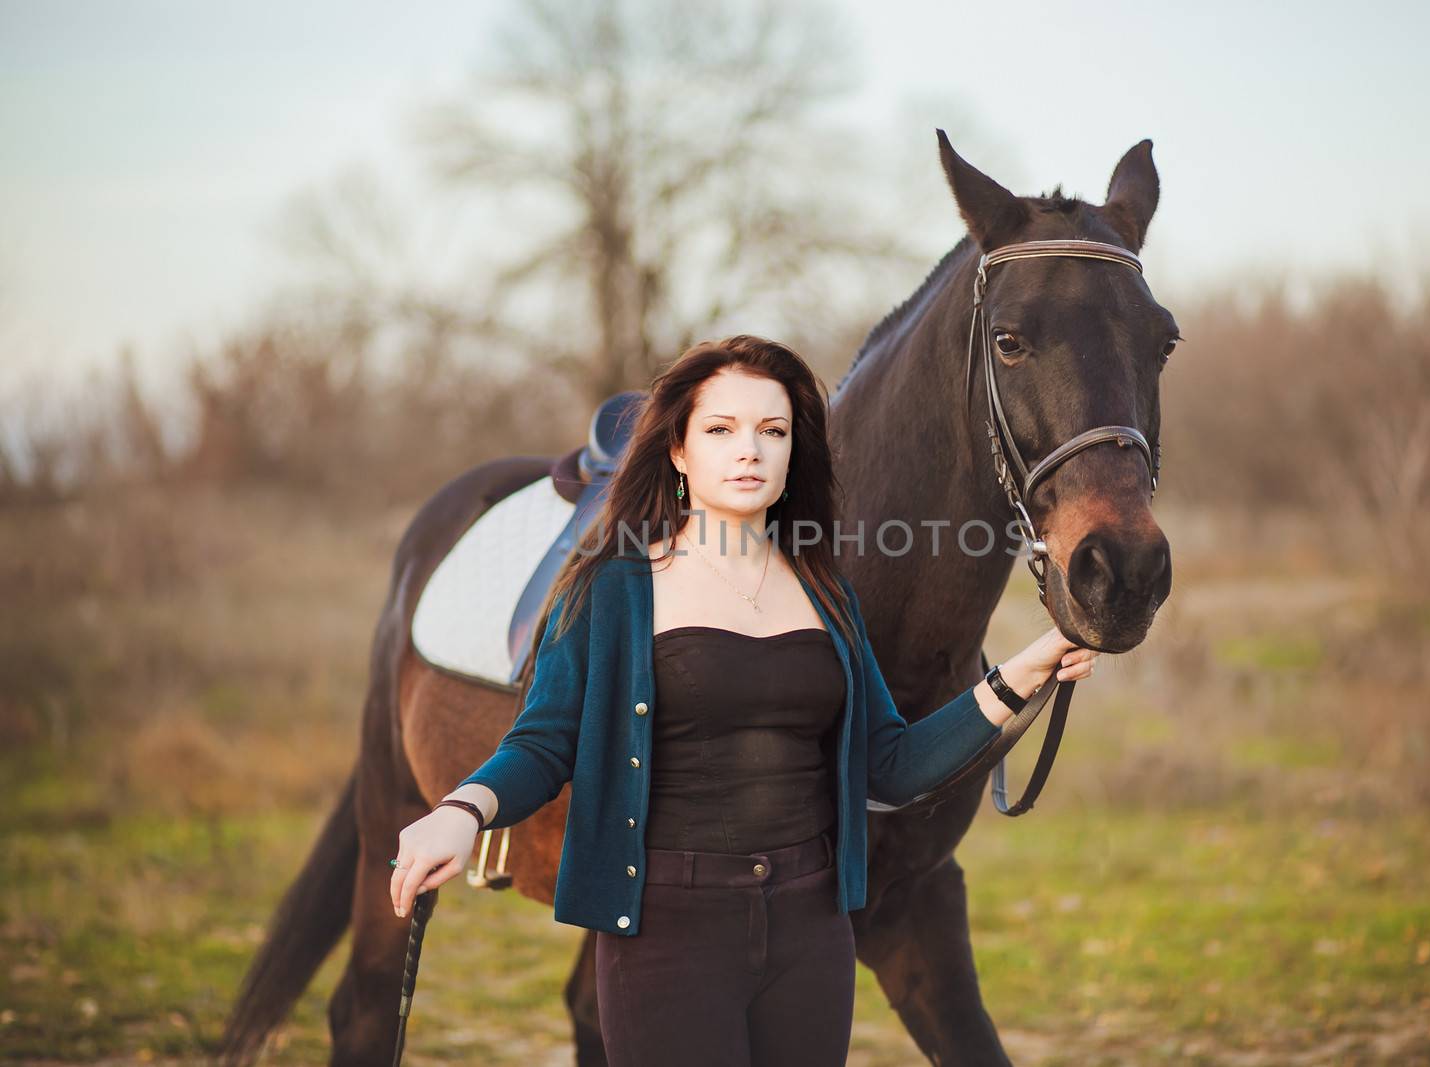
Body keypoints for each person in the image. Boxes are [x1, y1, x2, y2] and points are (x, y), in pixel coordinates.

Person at [390, 335, 1098, 1066]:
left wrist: (1028, 666)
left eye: (773, 430)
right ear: (678, 450)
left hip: (811, 932)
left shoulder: (827, 594)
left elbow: (890, 763)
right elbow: (543, 742)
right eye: (722, 429)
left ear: (795, 452)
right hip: (665, 936)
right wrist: (461, 809)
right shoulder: (614, 588)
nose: (750, 450)